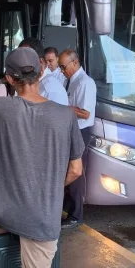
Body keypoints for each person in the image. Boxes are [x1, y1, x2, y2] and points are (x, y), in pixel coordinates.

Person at [0, 47, 84, 268]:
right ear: (41, 72)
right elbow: (76, 171)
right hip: (43, 218)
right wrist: (49, 188)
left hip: (3, 208)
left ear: (10, 79)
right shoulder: (66, 115)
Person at [58, 49, 97, 229]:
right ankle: (68, 207)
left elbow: (85, 112)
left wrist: (61, 106)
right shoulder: (70, 80)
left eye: (63, 66)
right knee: (68, 169)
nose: (62, 70)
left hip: (81, 132)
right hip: (71, 130)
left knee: (76, 172)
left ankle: (76, 215)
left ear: (75, 63)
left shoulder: (85, 83)